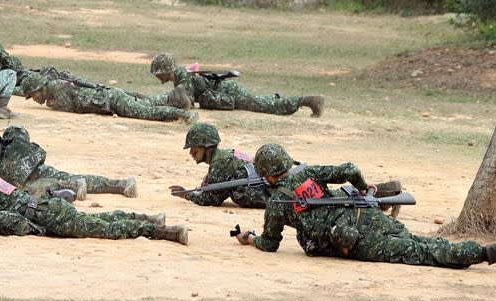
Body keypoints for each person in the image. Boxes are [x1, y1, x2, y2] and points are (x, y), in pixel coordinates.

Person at [233, 143, 496, 274]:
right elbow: (349, 168)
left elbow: (270, 243)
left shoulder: (275, 204)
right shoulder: (307, 173)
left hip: (350, 238)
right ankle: (486, 251)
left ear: (266, 173)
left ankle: (491, 253)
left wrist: (250, 239)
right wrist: (365, 189)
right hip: (362, 212)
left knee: (420, 252)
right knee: (419, 241)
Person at [0, 144, 188, 244]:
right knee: (99, 220)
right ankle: (149, 217)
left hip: (44, 213)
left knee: (106, 230)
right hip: (45, 207)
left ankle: (165, 232)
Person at [0, 125, 138, 199]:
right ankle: (121, 184)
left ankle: (68, 186)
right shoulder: (20, 146)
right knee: (67, 175)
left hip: (12, 175)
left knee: (24, 191)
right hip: (32, 164)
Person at [149, 52, 325, 117]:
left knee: (265, 106)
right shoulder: (181, 75)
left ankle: (308, 100)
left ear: (165, 70)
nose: (158, 77)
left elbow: (186, 102)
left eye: (158, 74)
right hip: (226, 91)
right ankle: (289, 99)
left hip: (228, 92)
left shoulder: (181, 74)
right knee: (260, 102)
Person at [22, 72, 197, 123]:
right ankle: (173, 96)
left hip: (110, 100)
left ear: (39, 88)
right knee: (144, 103)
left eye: (33, 95)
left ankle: (182, 114)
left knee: (144, 112)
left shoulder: (54, 88)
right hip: (109, 97)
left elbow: (67, 107)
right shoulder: (55, 85)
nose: (35, 99)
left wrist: (52, 104)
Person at [169, 123, 268, 208]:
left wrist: (187, 195)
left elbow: (211, 199)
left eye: (194, 148)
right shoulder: (225, 154)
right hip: (266, 187)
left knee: (237, 193)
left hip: (266, 193)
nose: (191, 153)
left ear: (207, 147)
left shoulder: (220, 163)